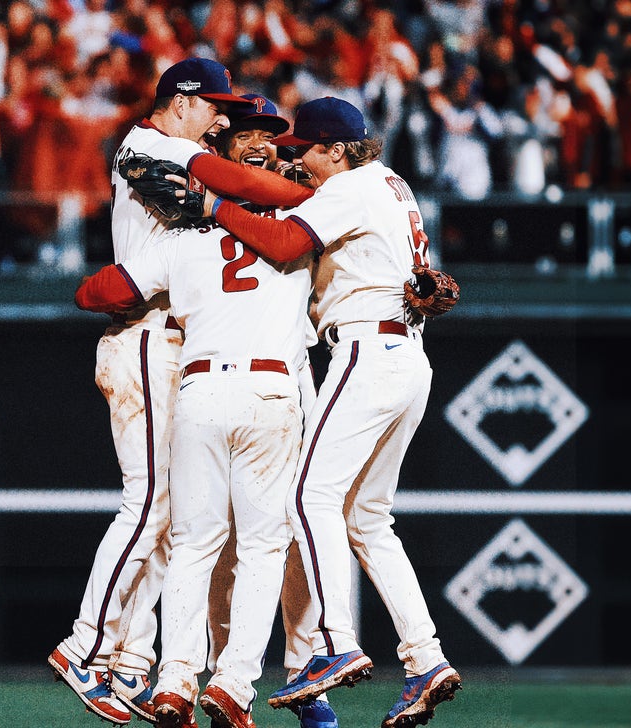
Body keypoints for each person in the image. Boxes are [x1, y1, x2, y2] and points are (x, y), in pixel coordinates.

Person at [199, 96, 462, 728]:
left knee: (307, 501)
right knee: (369, 521)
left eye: (306, 151)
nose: (299, 163)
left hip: (365, 352)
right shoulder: (393, 185)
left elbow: (286, 241)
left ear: (336, 149)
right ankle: (425, 656)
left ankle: (335, 644)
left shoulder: (350, 186)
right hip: (408, 355)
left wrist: (215, 206)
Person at [74, 93, 315, 728]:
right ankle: (233, 682)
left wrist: (147, 287)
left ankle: (172, 679)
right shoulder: (302, 234)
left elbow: (94, 290)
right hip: (269, 394)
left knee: (191, 542)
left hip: (199, 391)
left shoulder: (184, 237)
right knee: (263, 545)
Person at [48, 56, 247, 727]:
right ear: (182, 101)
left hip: (166, 341)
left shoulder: (175, 148)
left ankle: (132, 658)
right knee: (150, 503)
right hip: (144, 335)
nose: (219, 119)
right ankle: (85, 647)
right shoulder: (148, 145)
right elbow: (212, 190)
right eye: (213, 106)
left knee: (169, 514)